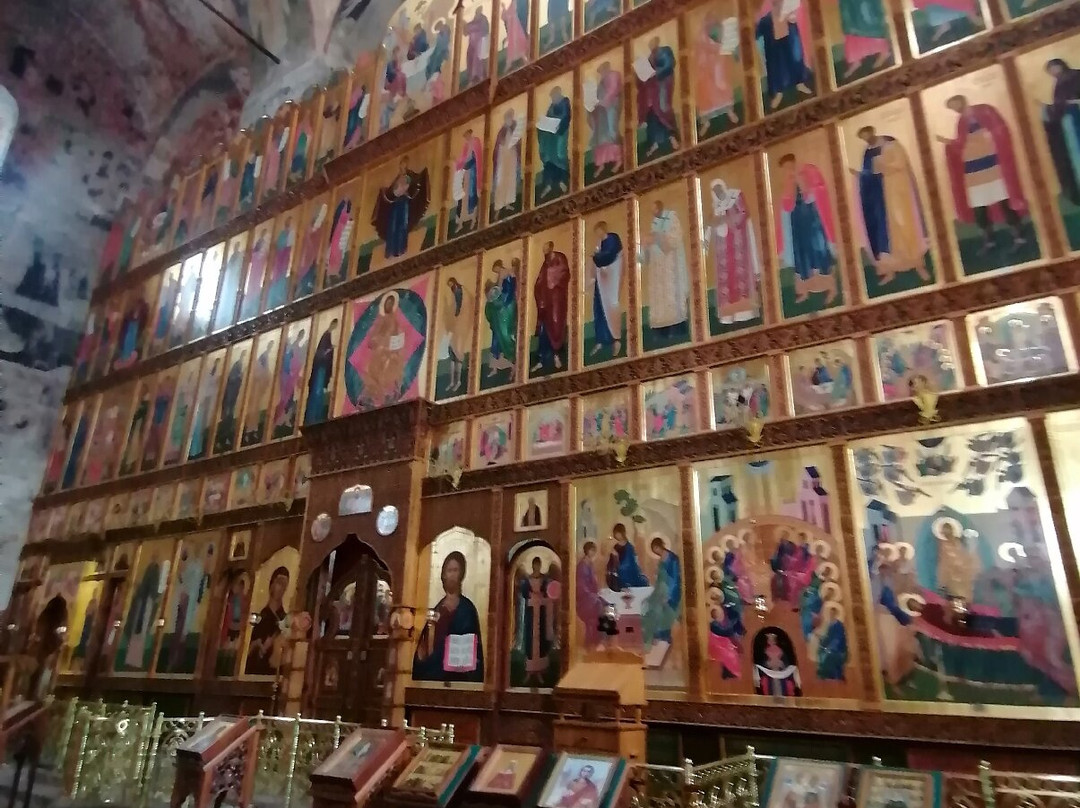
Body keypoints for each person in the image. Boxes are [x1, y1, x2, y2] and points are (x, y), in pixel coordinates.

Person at [938, 94, 1029, 256]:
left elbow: (998, 131)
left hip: (992, 166)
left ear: (962, 100)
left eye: (954, 104)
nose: (955, 109)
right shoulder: (961, 121)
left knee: (1004, 202)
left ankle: (1019, 237)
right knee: (979, 208)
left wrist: (985, 137)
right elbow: (961, 144)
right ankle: (989, 241)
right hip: (973, 170)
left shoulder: (984, 110)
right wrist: (949, 143)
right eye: (951, 107)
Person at [851, 126, 929, 284]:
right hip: (880, 199)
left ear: (872, 132)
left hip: (898, 193)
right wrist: (861, 175)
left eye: (867, 135)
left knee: (905, 226)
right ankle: (890, 270)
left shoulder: (891, 143)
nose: (866, 139)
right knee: (885, 233)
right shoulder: (868, 152)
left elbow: (900, 164)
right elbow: (870, 174)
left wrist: (884, 167)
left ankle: (918, 265)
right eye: (863, 138)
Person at [775, 153, 840, 304]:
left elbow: (813, 194)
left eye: (788, 166)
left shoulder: (806, 172)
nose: (787, 170)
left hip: (812, 220)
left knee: (818, 254)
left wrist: (800, 181)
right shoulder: (789, 180)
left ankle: (832, 289)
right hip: (798, 222)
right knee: (802, 255)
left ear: (793, 163)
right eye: (785, 169)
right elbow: (787, 204)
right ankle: (803, 290)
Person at [412, 551, 485, 682]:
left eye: (455, 570)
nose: (451, 575)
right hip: (435, 674)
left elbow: (474, 646)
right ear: (444, 574)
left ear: (461, 574)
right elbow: (425, 646)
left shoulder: (468, 609)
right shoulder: (437, 609)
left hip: (460, 676)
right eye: (449, 570)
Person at [706, 179, 761, 325]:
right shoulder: (716, 206)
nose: (717, 192)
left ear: (723, 187)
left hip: (738, 242)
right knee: (726, 277)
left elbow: (744, 213)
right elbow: (711, 225)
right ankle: (728, 314)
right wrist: (717, 221)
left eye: (719, 188)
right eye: (714, 190)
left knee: (740, 276)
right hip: (723, 248)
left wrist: (729, 219)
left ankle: (745, 311)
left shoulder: (735, 196)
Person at [641, 200, 690, 340]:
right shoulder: (654, 223)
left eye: (655, 209)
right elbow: (647, 251)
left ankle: (677, 330)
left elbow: (675, 238)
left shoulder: (671, 217)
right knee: (659, 299)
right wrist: (645, 245)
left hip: (671, 264)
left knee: (672, 296)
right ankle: (661, 332)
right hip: (657, 267)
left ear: (660, 207)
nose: (653, 213)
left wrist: (657, 238)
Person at [755, 0, 813, 111]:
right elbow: (756, 31)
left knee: (795, 59)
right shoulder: (766, 18)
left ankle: (800, 83)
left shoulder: (788, 10)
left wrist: (792, 17)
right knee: (776, 67)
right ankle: (778, 92)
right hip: (773, 40)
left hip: (789, 32)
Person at [372, 159, 431, 260]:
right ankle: (391, 250)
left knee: (402, 226)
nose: (402, 168)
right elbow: (393, 192)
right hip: (396, 205)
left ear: (406, 166)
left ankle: (401, 249)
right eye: (401, 166)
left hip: (404, 204)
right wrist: (394, 192)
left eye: (404, 166)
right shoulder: (397, 179)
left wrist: (401, 191)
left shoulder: (408, 178)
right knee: (393, 226)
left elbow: (407, 189)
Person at [1041, 59, 1080, 206]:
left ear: (1059, 65)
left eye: (1053, 69)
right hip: (1071, 122)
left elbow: (1065, 102)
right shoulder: (1061, 82)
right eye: (1050, 71)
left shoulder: (1072, 77)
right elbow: (1060, 104)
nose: (1052, 73)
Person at [693, 14, 739, 135]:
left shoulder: (719, 33)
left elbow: (724, 46)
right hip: (706, 73)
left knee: (723, 89)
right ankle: (706, 121)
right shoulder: (701, 41)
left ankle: (729, 111)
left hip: (719, 69)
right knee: (707, 94)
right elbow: (700, 56)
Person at [363, 293, 409, 407]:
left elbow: (399, 335)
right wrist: (376, 340)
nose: (388, 305)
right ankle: (371, 396)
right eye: (387, 303)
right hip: (380, 350)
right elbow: (373, 335)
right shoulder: (380, 320)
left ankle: (389, 394)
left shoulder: (395, 320)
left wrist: (391, 345)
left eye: (390, 303)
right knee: (372, 368)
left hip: (390, 350)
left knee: (389, 367)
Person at [532, 240, 571, 373]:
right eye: (543, 251)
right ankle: (542, 360)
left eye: (545, 249)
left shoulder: (560, 257)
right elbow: (540, 281)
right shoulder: (545, 263)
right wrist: (540, 293)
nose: (544, 252)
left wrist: (552, 279)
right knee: (544, 329)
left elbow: (564, 272)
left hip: (557, 299)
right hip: (546, 302)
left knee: (556, 325)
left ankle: (556, 355)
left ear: (551, 248)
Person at [637, 37, 680, 158]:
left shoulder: (665, 51)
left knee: (663, 110)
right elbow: (643, 78)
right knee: (651, 114)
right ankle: (654, 142)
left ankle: (672, 138)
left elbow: (669, 64)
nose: (651, 46)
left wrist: (656, 72)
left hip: (662, 87)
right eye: (650, 45)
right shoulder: (649, 58)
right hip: (651, 91)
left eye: (653, 43)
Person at [518, 556, 558, 686]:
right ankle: (530, 670)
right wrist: (531, 595)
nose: (537, 567)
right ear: (532, 565)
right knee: (530, 640)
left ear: (540, 565)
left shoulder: (545, 580)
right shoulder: (527, 580)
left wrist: (543, 595)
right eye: (535, 565)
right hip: (531, 614)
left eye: (538, 565)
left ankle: (541, 670)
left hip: (541, 613)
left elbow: (550, 592)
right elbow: (524, 593)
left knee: (541, 640)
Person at [245, 566, 290, 676]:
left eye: (285, 585)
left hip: (274, 673)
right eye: (279, 583)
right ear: (272, 584)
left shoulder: (285, 619)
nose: (282, 588)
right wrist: (256, 644)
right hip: (254, 671)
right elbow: (246, 645)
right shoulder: (259, 615)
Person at [588, 221, 623, 358]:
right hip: (601, 281)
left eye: (598, 231)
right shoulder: (600, 243)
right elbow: (598, 260)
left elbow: (610, 256)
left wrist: (597, 257)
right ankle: (601, 340)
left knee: (611, 306)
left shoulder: (613, 239)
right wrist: (596, 257)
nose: (597, 234)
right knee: (599, 307)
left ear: (603, 229)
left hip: (611, 280)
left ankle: (616, 339)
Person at [642, 537, 682, 646]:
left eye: (656, 548)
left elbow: (675, 578)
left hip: (672, 591)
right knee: (649, 605)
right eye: (654, 550)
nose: (655, 551)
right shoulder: (661, 559)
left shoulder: (673, 559)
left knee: (660, 609)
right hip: (660, 589)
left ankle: (662, 635)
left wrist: (669, 596)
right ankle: (653, 634)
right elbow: (660, 576)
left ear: (659, 546)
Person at [837, 0, 891, 80]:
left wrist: (880, 16)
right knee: (851, 36)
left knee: (873, 32)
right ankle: (855, 61)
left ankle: (884, 52)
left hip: (868, 15)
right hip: (854, 16)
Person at [588, 62, 624, 179]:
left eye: (602, 71)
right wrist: (592, 104)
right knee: (600, 137)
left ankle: (619, 160)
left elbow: (613, 90)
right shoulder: (600, 83)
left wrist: (602, 101)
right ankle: (601, 164)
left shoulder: (614, 75)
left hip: (611, 108)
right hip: (601, 112)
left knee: (612, 132)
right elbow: (596, 97)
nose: (601, 74)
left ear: (606, 68)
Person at [484, 259, 518, 376]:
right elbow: (497, 292)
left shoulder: (507, 274)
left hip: (506, 307)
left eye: (495, 269)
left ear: (498, 266)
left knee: (505, 334)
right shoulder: (501, 276)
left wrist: (502, 302)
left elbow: (509, 291)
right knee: (497, 336)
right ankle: (496, 367)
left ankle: (513, 362)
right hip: (500, 310)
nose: (495, 271)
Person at [537, 86, 572, 199]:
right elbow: (548, 119)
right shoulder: (551, 106)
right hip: (550, 138)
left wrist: (559, 127)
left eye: (554, 97)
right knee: (549, 159)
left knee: (560, 155)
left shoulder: (565, 102)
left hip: (560, 136)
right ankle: (548, 184)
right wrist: (541, 126)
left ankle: (563, 181)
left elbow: (566, 117)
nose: (553, 99)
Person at [273, 328, 307, 438]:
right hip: (287, 378)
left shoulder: (296, 349)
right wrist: (291, 372)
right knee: (285, 399)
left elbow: (298, 362)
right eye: (301, 335)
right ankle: (275, 423)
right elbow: (289, 363)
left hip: (291, 378)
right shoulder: (292, 348)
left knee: (291, 400)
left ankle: (286, 419)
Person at [213, 349, 248, 453]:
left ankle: (225, 439)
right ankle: (219, 440)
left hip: (232, 398)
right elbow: (231, 378)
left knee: (230, 419)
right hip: (229, 398)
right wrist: (238, 376)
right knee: (226, 419)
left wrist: (240, 377)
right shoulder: (236, 366)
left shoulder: (239, 367)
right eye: (243, 355)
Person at [187, 358, 222, 461]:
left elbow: (209, 389)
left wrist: (216, 383)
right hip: (195, 407)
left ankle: (196, 451)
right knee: (194, 430)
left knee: (198, 430)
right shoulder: (199, 379)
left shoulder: (207, 378)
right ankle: (192, 452)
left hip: (199, 407)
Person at [305, 319, 338, 425]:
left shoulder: (328, 335)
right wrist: (330, 349)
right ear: (332, 324)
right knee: (317, 392)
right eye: (334, 325)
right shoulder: (325, 335)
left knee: (320, 393)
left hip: (322, 369)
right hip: (320, 368)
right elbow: (320, 353)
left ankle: (317, 417)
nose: (335, 327)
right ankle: (313, 418)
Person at [492, 109, 523, 216]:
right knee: (501, 180)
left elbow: (518, 142)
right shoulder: (502, 131)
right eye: (507, 118)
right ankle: (498, 205)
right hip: (503, 159)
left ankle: (508, 202)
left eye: (510, 117)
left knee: (511, 179)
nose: (508, 119)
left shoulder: (515, 127)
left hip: (512, 157)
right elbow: (497, 147)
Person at [576, 542, 606, 648]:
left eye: (594, 550)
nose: (593, 552)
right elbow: (581, 586)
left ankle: (604, 639)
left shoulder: (590, 564)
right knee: (599, 605)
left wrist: (597, 592)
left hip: (592, 597)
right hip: (583, 600)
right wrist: (592, 595)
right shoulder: (582, 566)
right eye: (591, 550)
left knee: (608, 605)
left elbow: (594, 583)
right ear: (587, 551)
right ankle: (596, 640)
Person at [454, 128, 484, 233]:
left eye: (466, 135)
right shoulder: (466, 145)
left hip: (473, 173)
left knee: (472, 196)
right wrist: (457, 164)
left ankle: (473, 219)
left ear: (470, 134)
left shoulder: (476, 141)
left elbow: (478, 158)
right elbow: (462, 160)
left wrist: (468, 165)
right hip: (466, 174)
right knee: (462, 199)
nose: (466, 137)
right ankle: (461, 222)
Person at [295, 203, 327, 298]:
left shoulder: (319, 228)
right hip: (307, 257)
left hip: (313, 257)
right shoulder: (310, 229)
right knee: (306, 275)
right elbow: (309, 236)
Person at [606, 523, 649, 591]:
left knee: (643, 581)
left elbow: (632, 561)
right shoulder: (615, 547)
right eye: (616, 534)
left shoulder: (629, 547)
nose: (617, 536)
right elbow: (612, 563)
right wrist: (615, 557)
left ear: (623, 533)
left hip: (630, 571)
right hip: (620, 572)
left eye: (619, 533)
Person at [265, 217, 295, 310]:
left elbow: (289, 245)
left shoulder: (291, 233)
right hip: (279, 257)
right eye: (289, 223)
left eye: (290, 223)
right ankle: (275, 296)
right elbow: (279, 245)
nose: (289, 225)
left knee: (282, 275)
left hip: (285, 256)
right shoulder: (282, 233)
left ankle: (280, 295)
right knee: (277, 276)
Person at [325, 198, 354, 286]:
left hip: (338, 245)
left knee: (340, 224)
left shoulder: (336, 268)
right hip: (336, 245)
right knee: (339, 223)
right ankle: (345, 205)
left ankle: (346, 205)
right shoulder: (332, 268)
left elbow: (341, 254)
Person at [464, 6, 491, 87]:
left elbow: (483, 29)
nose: (477, 12)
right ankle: (472, 79)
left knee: (477, 60)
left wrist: (469, 27)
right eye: (476, 11)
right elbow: (466, 32)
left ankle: (479, 77)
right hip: (472, 44)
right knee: (470, 59)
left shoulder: (483, 19)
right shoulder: (474, 20)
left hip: (479, 43)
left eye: (478, 11)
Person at [501, 0, 530, 70]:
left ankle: (526, 61)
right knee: (514, 48)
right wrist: (504, 8)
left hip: (516, 27)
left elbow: (509, 14)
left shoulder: (516, 4)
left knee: (519, 47)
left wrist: (504, 9)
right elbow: (505, 16)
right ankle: (509, 66)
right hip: (513, 28)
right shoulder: (514, 4)